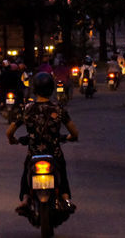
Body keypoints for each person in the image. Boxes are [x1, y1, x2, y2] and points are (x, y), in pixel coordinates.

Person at [6, 71, 79, 215]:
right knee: (62, 172)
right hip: (54, 153)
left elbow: (9, 132)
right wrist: (70, 137)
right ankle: (65, 198)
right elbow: (74, 132)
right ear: (51, 89)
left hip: (34, 153)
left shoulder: (27, 109)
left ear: (34, 89)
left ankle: (25, 200)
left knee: (26, 172)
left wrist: (13, 140)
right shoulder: (58, 109)